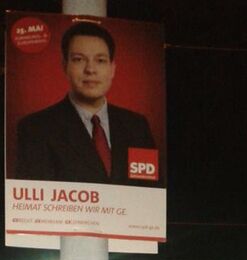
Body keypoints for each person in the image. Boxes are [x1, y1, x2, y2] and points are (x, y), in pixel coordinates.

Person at [15, 21, 160, 185]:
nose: (90, 69)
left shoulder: (137, 126)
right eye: (79, 59)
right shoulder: (36, 128)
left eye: (100, 60)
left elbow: (150, 190)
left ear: (112, 69)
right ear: (65, 66)